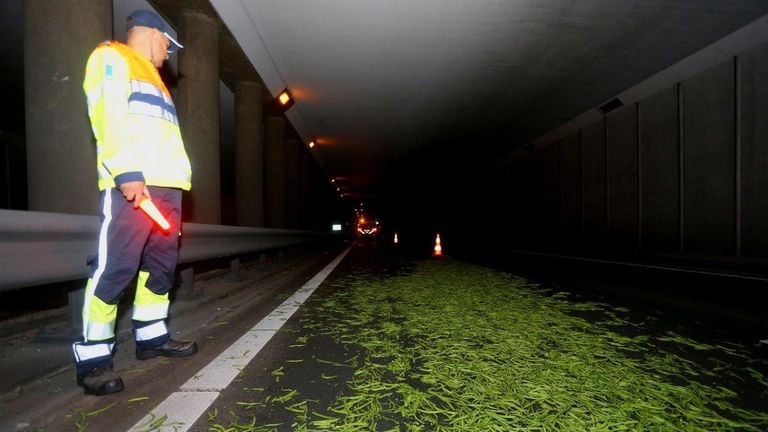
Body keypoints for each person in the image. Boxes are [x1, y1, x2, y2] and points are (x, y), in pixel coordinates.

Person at [72, 10, 196, 396]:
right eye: (167, 46)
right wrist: (126, 172)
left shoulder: (156, 80)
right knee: (116, 268)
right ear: (155, 35)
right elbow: (106, 116)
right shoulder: (111, 57)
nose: (168, 54)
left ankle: (152, 338)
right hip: (134, 185)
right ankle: (92, 359)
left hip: (167, 187)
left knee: (160, 269)